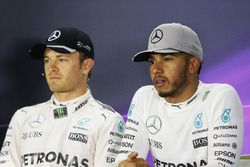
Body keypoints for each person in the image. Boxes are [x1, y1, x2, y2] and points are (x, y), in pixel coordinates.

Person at [116, 23, 244, 167]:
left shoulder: (220, 97)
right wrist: (126, 164)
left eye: (167, 59)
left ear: (193, 65)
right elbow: (125, 158)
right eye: (152, 61)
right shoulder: (144, 97)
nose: (156, 69)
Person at [0, 27, 125, 167]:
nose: (51, 67)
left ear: (86, 66)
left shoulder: (107, 121)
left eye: (62, 59)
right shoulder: (23, 117)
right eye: (47, 60)